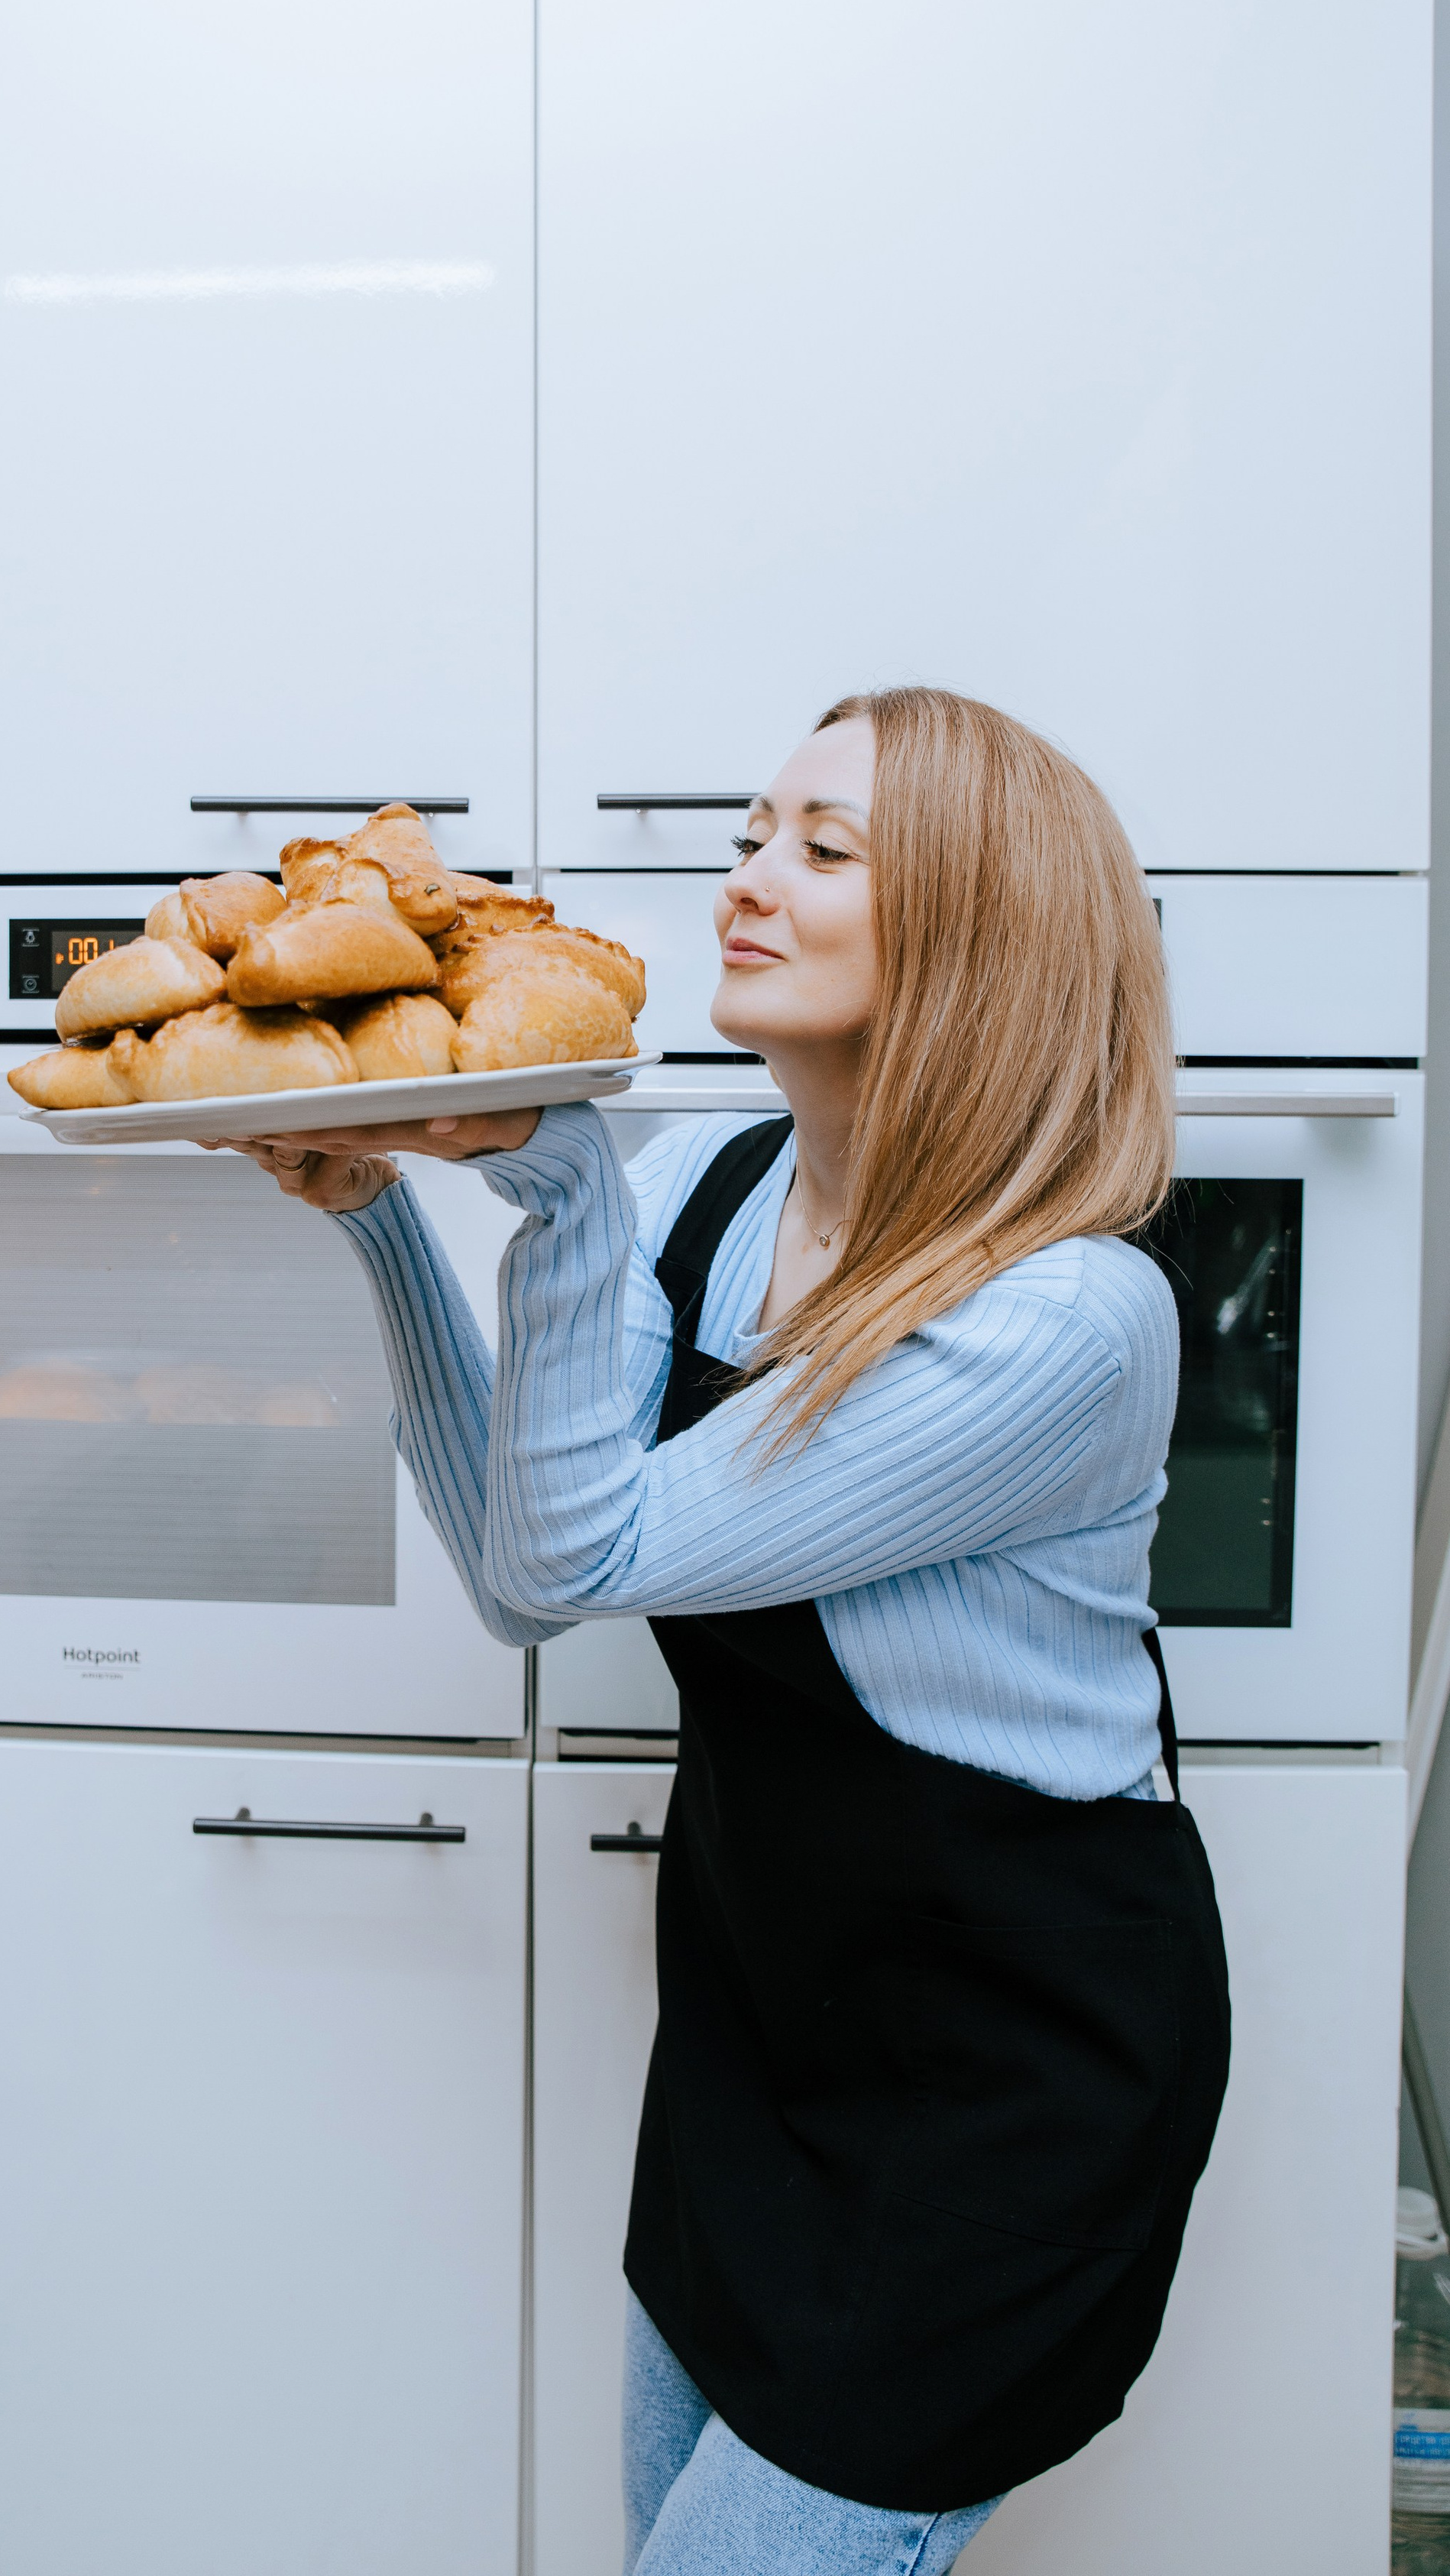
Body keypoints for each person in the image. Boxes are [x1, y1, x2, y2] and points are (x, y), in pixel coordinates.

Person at [231, 686, 1230, 2576]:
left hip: (1000, 2092)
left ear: (976, 926)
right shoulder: (702, 1174)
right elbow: (529, 1579)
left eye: (822, 849)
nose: (746, 879)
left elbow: (594, 1540)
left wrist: (545, 1181)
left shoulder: (1059, 1320)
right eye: (755, 834)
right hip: (753, 2025)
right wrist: (373, 1206)